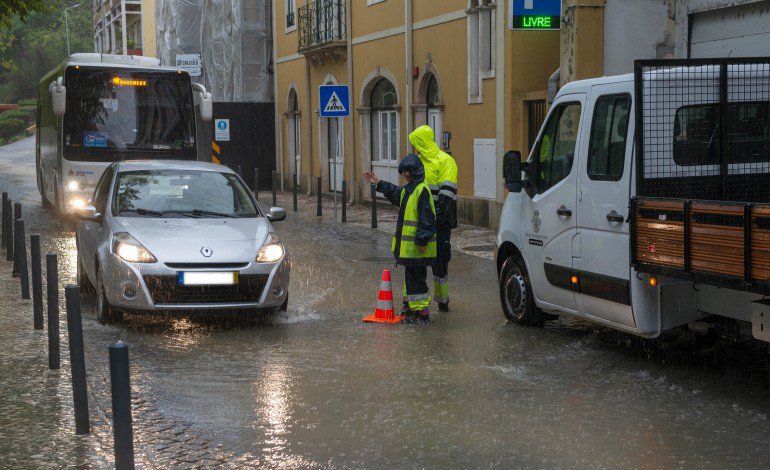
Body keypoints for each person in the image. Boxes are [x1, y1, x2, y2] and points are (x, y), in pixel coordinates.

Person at [363, 154, 437, 324]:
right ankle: (412, 309)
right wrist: (379, 183)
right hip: (410, 248)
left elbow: (427, 219)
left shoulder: (421, 190)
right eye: (403, 171)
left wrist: (421, 241)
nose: (404, 174)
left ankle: (421, 313)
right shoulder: (409, 190)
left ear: (414, 171)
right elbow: (396, 193)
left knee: (418, 280)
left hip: (418, 248)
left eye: (407, 171)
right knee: (412, 280)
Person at [408, 125, 457, 312]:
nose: (415, 148)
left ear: (422, 143)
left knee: (440, 261)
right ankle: (414, 303)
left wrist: (441, 220)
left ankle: (442, 301)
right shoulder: (417, 163)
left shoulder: (445, 161)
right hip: (421, 222)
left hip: (440, 223)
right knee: (416, 261)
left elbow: (447, 194)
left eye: (416, 144)